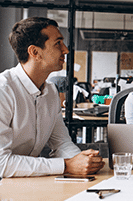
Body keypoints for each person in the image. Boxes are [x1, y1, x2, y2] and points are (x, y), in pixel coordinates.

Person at [0, 17, 105, 178]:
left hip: (26, 182)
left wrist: (83, 161)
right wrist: (66, 166)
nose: (66, 50)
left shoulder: (50, 92)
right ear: (35, 52)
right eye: (58, 43)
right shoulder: (3, 90)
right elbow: (2, 164)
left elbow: (61, 143)